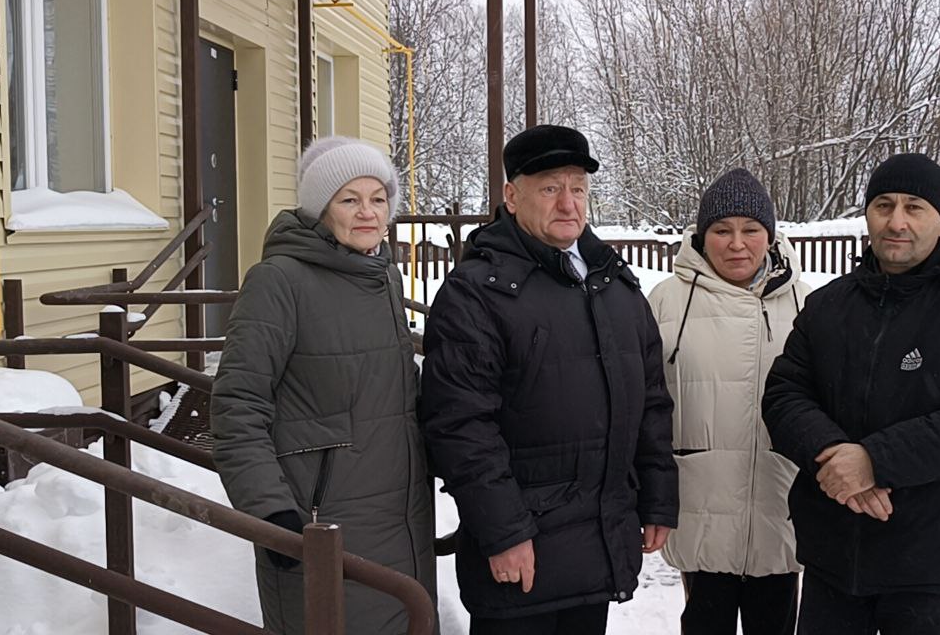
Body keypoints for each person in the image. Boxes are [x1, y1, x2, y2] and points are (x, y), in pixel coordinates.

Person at [762, 152, 940, 635]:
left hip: (930, 566)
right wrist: (832, 454)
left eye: (915, 207)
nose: (896, 221)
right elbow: (785, 394)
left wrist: (874, 461)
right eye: (883, 205)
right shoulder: (829, 305)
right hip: (834, 552)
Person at [419, 124, 679, 635]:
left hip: (595, 547)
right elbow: (459, 425)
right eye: (550, 188)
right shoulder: (477, 294)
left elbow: (650, 403)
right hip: (522, 556)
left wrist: (657, 497)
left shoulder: (616, 287)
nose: (568, 203)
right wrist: (504, 533)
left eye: (578, 187)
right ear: (512, 197)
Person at [211, 136, 436, 634]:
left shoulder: (381, 276)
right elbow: (237, 406)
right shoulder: (279, 282)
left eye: (378, 199)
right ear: (320, 208)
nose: (368, 213)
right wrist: (271, 513)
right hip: (320, 525)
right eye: (349, 199)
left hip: (402, 518)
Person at [647, 168, 810, 635]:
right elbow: (646, 405)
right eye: (722, 230)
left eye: (750, 230)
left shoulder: (805, 303)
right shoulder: (666, 303)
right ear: (702, 235)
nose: (737, 243)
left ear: (770, 236)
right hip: (701, 511)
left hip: (779, 509)